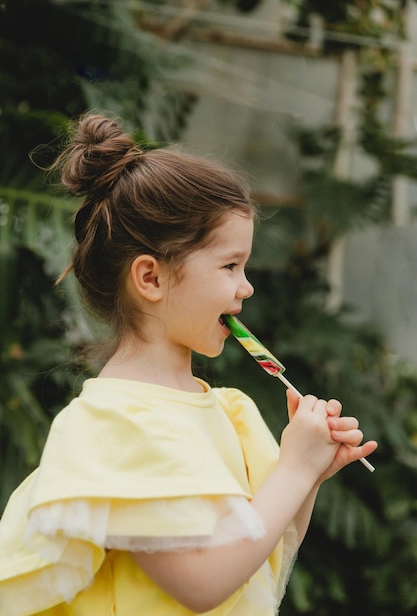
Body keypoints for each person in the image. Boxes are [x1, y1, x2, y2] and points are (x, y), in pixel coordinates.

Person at [0, 113, 377, 616]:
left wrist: (306, 474)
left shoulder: (221, 409)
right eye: (229, 266)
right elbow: (201, 584)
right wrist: (293, 468)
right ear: (151, 278)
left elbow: (260, 553)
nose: (246, 287)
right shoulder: (118, 423)